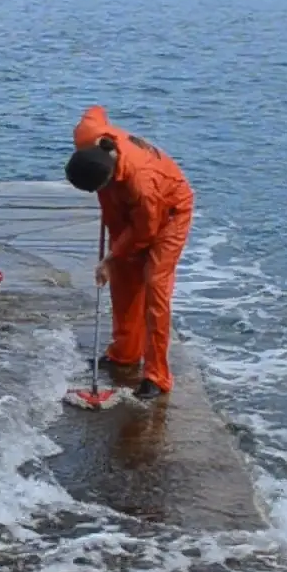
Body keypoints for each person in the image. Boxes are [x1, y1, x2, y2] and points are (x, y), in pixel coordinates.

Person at [64, 107, 193, 401]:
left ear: (108, 178)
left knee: (154, 289)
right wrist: (115, 262)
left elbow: (145, 232)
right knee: (123, 282)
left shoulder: (143, 183)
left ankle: (157, 376)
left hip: (168, 214)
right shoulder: (88, 136)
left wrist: (111, 257)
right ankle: (124, 354)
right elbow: (95, 111)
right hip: (127, 212)